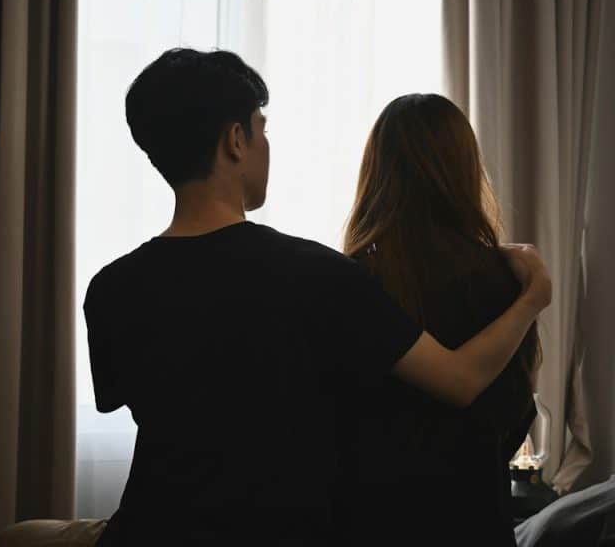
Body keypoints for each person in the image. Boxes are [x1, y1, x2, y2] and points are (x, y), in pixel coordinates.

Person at [82, 49, 550, 546]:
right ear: (235, 140)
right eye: (261, 129)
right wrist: (532, 296)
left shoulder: (110, 288)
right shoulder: (317, 276)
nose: (266, 144)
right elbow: (459, 380)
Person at [339, 93, 541, 545]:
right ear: (463, 170)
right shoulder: (507, 282)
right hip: (473, 515)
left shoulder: (353, 279)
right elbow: (516, 406)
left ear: (377, 172)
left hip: (373, 518)